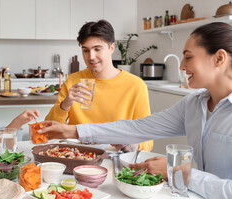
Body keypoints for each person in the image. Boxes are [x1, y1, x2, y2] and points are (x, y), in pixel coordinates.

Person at [39, 22, 232, 199]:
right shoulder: (195, 104)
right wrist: (74, 132)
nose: (181, 66)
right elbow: (138, 127)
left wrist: (178, 172)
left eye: (188, 57)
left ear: (219, 58)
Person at [45, 19, 153, 152]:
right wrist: (65, 105)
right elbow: (48, 131)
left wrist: (133, 145)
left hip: (115, 155)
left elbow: (147, 138)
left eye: (97, 49)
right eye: (86, 50)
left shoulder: (136, 85)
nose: (91, 56)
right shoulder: (73, 81)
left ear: (111, 48)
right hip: (78, 156)